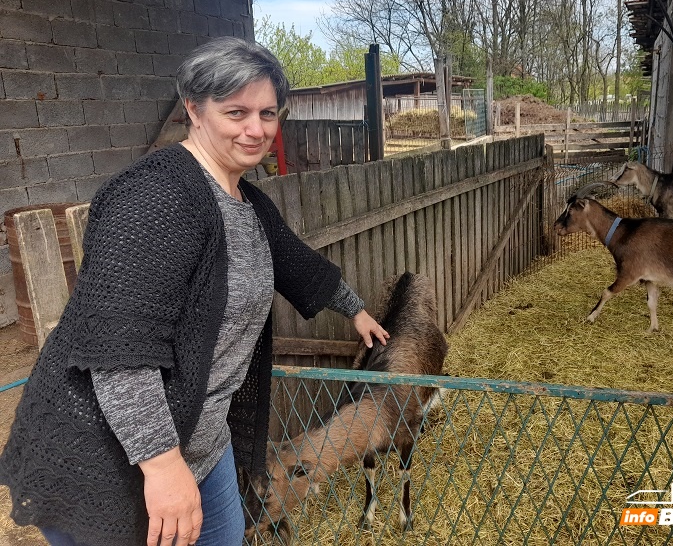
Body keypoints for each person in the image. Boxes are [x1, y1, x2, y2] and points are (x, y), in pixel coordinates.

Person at [0, 36, 389, 546]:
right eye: (236, 112)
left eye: (268, 113)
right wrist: (162, 469)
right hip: (109, 456)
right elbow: (122, 357)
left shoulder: (246, 201)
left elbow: (296, 263)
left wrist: (355, 310)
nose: (256, 129)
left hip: (201, 444)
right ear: (193, 109)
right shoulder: (154, 199)